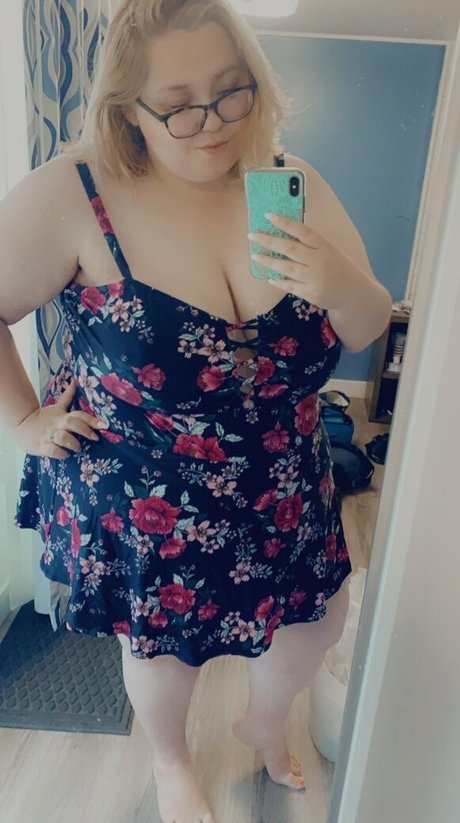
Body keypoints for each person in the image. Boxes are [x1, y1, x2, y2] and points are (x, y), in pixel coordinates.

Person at [0, 2, 393, 822]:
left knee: (317, 624)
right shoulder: (74, 193)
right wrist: (24, 422)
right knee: (164, 654)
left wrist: (341, 283)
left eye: (230, 90)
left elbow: (365, 327)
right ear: (126, 110)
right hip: (148, 492)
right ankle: (171, 761)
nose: (212, 121)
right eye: (178, 104)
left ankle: (263, 719)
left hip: (285, 476)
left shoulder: (290, 180)